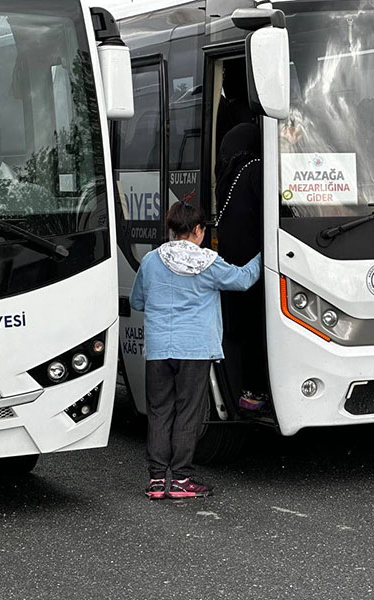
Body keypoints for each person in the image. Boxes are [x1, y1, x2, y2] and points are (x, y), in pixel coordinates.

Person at [130, 201, 261, 500]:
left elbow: (138, 302)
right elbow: (243, 280)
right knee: (188, 413)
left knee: (160, 411)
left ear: (171, 230)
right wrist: (265, 253)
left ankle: (155, 480)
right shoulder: (207, 262)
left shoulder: (150, 261)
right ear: (199, 230)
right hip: (195, 349)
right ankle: (180, 479)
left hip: (160, 349)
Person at [214, 123, 269, 411]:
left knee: (238, 332)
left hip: (231, 265)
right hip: (255, 268)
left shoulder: (226, 174)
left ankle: (241, 391)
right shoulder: (257, 170)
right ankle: (258, 391)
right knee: (258, 330)